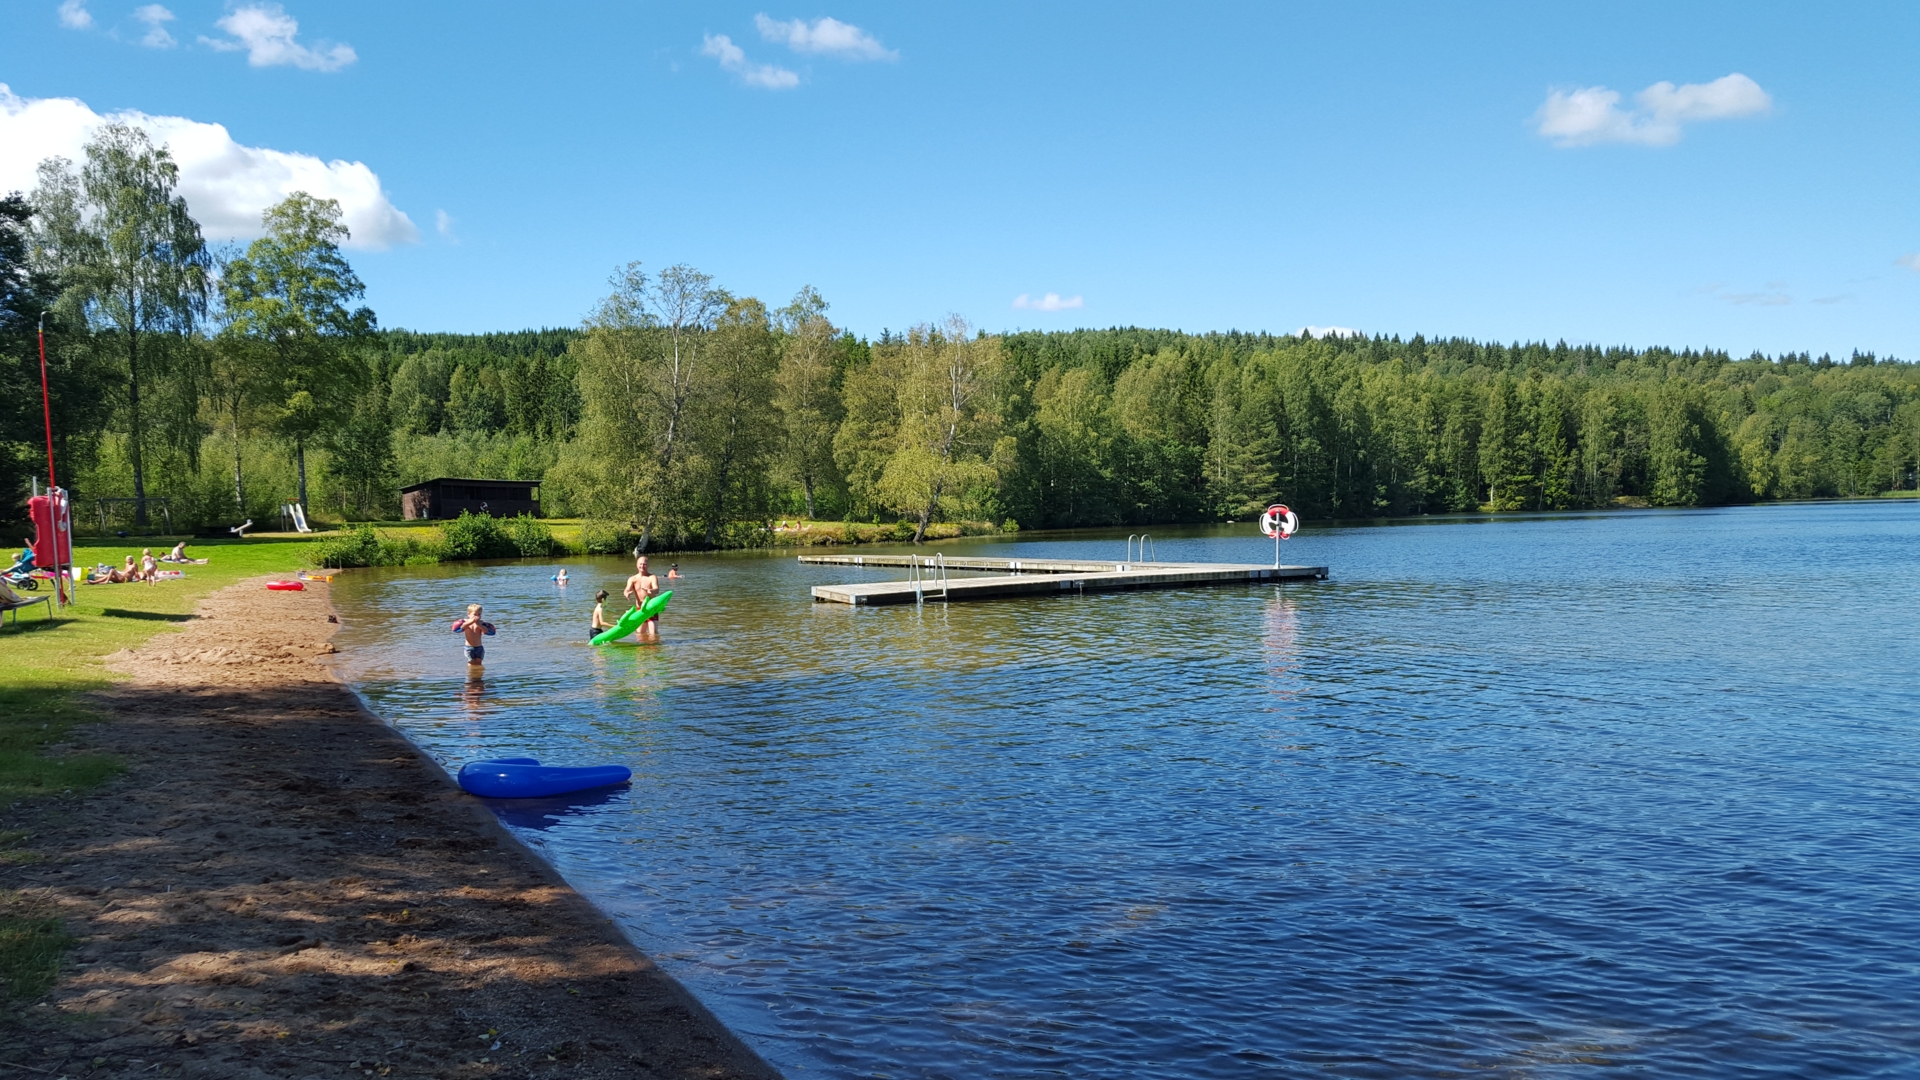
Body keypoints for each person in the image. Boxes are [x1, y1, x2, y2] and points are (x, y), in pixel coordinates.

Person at [623, 555, 662, 642]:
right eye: (640, 564)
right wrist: (627, 593)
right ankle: (643, 649)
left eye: (644, 564)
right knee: (640, 633)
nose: (642, 566)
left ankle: (654, 649)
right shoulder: (632, 579)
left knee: (653, 633)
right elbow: (626, 589)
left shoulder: (652, 577)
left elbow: (657, 590)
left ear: (648, 565)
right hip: (639, 609)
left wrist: (651, 591)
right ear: (637, 565)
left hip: (651, 608)